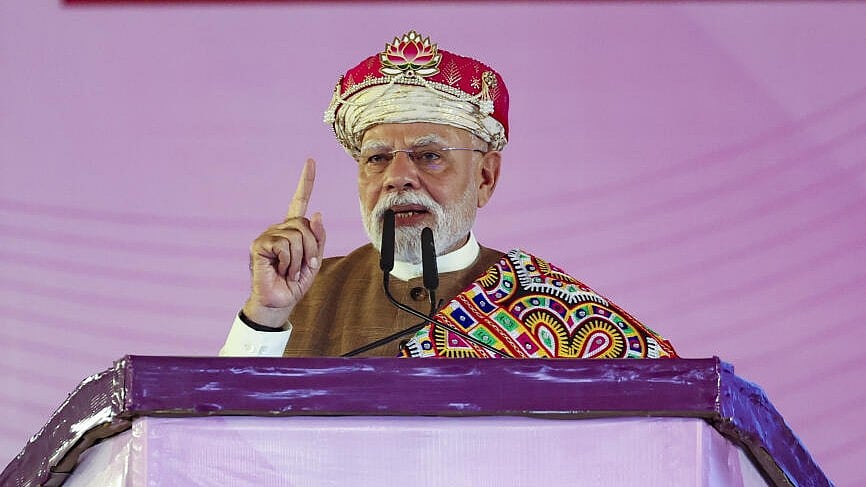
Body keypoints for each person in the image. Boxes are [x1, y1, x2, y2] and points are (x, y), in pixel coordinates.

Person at [219, 31, 677, 359]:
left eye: (429, 156)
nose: (398, 178)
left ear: (485, 178)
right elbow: (226, 443)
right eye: (377, 158)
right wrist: (265, 315)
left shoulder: (546, 305)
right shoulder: (304, 294)